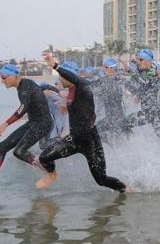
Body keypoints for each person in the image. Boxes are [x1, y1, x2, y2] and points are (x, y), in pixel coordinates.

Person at [36, 55, 127, 192]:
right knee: (44, 157)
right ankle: (52, 174)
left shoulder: (83, 86)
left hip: (90, 141)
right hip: (74, 139)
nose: (60, 79)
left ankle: (126, 189)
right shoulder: (72, 90)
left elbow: (75, 79)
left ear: (70, 76)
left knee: (101, 180)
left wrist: (55, 65)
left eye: (61, 76)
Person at [0, 64, 54, 194]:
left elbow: (22, 108)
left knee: (19, 151)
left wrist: (3, 125)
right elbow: (31, 102)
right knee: (1, 147)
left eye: (4, 77)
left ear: (15, 76)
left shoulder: (25, 85)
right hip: (33, 122)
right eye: (1, 77)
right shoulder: (22, 87)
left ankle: (50, 172)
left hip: (43, 123)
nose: (2, 81)